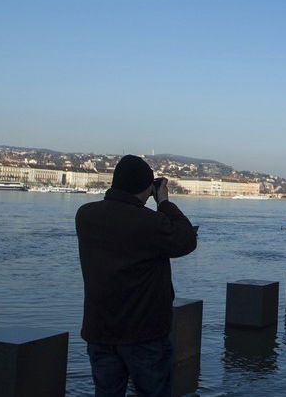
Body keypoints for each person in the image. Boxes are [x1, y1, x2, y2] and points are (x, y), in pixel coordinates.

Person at [76, 155, 198, 397]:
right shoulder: (150, 223)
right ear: (145, 188)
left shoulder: (85, 215)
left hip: (99, 330)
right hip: (144, 333)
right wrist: (163, 202)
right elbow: (186, 240)